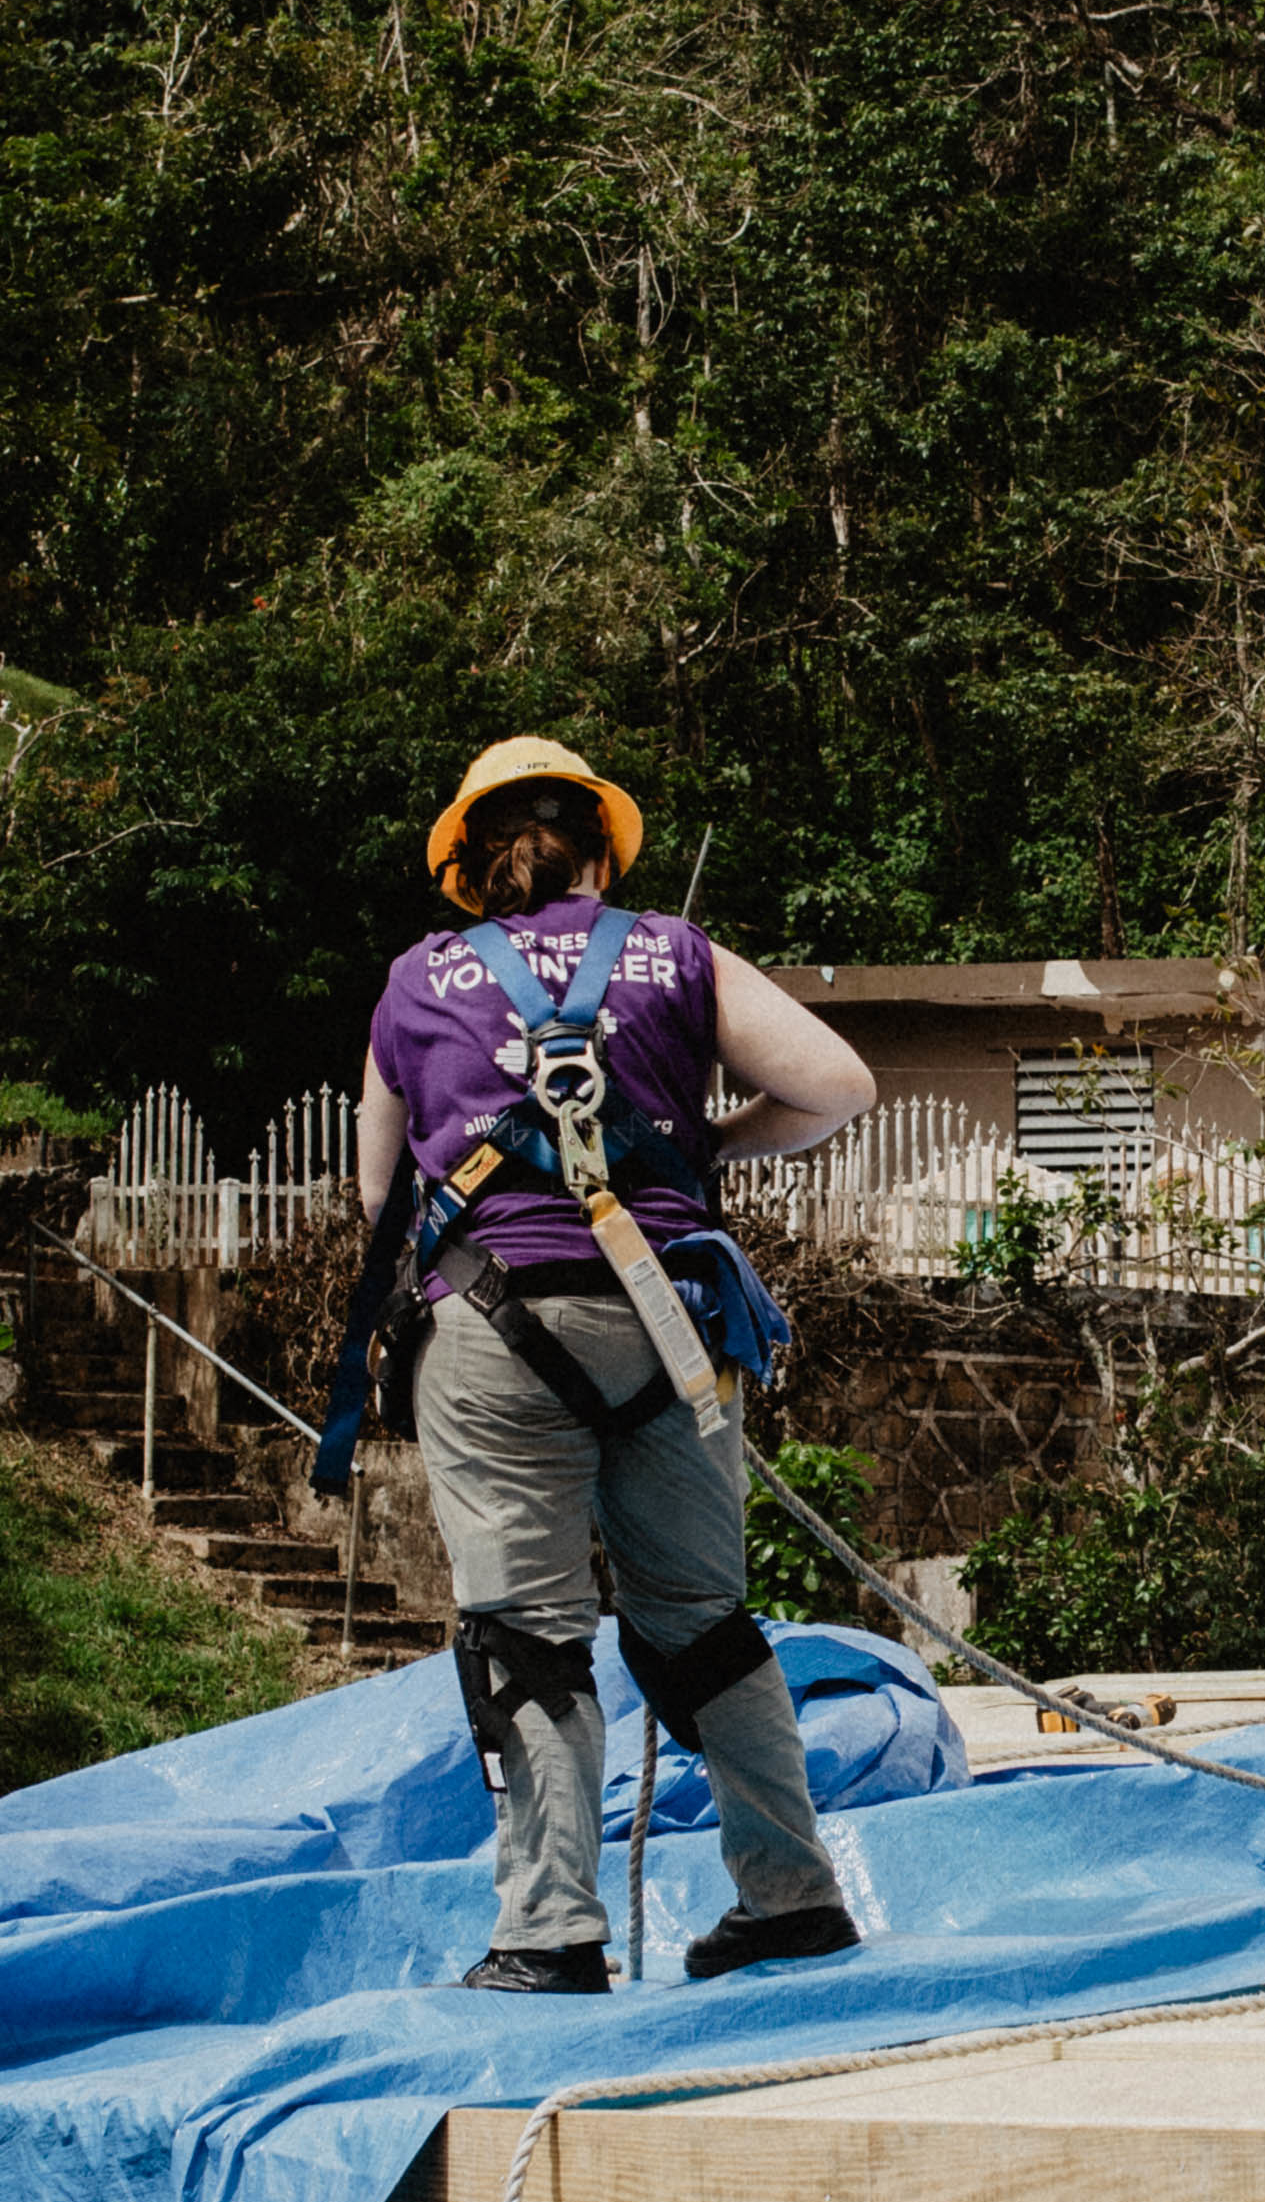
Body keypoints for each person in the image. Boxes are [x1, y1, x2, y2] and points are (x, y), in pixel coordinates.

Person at [344, 735, 879, 1994]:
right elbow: (839, 1085)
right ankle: (794, 1898)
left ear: (469, 867)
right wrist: (707, 1144)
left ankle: (550, 1933)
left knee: (527, 1634)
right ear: (600, 851)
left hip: (494, 1326)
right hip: (669, 1321)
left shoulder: (415, 981)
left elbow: (378, 1197)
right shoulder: (674, 954)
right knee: (705, 1627)